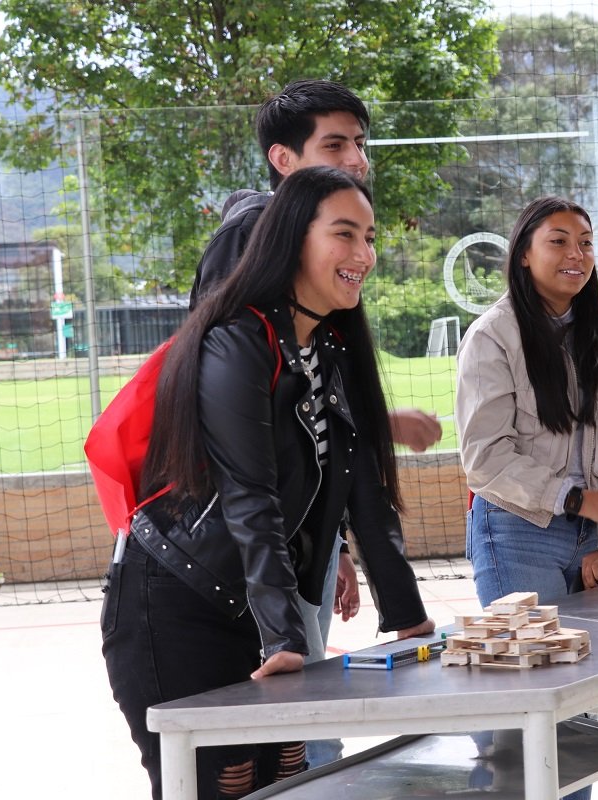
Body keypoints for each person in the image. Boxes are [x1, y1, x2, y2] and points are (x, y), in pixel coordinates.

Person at [101, 167, 435, 800]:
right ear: (291, 239)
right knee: (222, 783)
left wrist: (408, 616)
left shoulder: (329, 348)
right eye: (345, 234)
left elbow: (363, 484)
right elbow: (249, 494)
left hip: (253, 607)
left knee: (284, 778)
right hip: (177, 606)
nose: (364, 255)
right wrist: (285, 637)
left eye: (369, 236)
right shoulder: (236, 340)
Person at [188, 79, 441, 769]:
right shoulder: (250, 242)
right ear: (281, 159)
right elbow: (242, 413)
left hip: (291, 536)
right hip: (229, 555)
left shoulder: (333, 270)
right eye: (336, 144)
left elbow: (323, 419)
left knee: (298, 745)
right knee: (260, 753)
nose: (357, 158)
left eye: (361, 144)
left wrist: (336, 546)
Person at [455, 196, 598, 626]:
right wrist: (579, 500)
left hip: (596, 533)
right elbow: (485, 459)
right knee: (539, 670)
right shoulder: (491, 336)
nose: (576, 255)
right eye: (558, 241)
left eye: (585, 243)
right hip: (518, 530)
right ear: (524, 255)